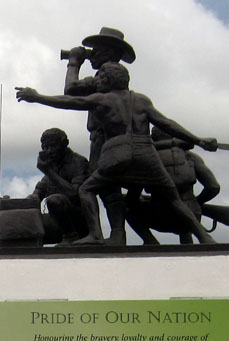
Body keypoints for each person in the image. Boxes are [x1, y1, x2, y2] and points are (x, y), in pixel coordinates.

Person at [15, 62, 219, 245]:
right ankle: (204, 236)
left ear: (108, 80)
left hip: (117, 152)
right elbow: (166, 123)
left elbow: (70, 101)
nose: (97, 81)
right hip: (145, 151)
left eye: (100, 78)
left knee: (87, 189)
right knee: (173, 198)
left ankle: (95, 235)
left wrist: (37, 97)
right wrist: (197, 140)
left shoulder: (101, 99)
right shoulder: (141, 100)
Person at [61, 27, 137, 243]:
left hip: (104, 141)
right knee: (109, 190)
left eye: (98, 51)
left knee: (98, 187)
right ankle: (117, 235)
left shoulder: (106, 76)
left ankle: (99, 235)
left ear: (112, 54)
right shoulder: (112, 76)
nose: (92, 54)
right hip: (105, 140)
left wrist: (74, 61)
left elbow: (71, 90)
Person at [125, 127, 222, 244]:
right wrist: (198, 202)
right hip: (192, 216)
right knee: (185, 216)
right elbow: (213, 187)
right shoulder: (191, 157)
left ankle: (150, 241)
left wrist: (141, 198)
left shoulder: (147, 160)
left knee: (126, 208)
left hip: (162, 217)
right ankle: (190, 242)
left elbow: (132, 198)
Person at [27, 128, 90, 245]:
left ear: (64, 144)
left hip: (79, 221)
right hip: (57, 221)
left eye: (52, 146)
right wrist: (30, 200)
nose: (49, 151)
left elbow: (74, 195)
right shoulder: (52, 165)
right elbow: (39, 191)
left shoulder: (78, 162)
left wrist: (49, 172)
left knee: (54, 200)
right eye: (45, 147)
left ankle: (71, 237)